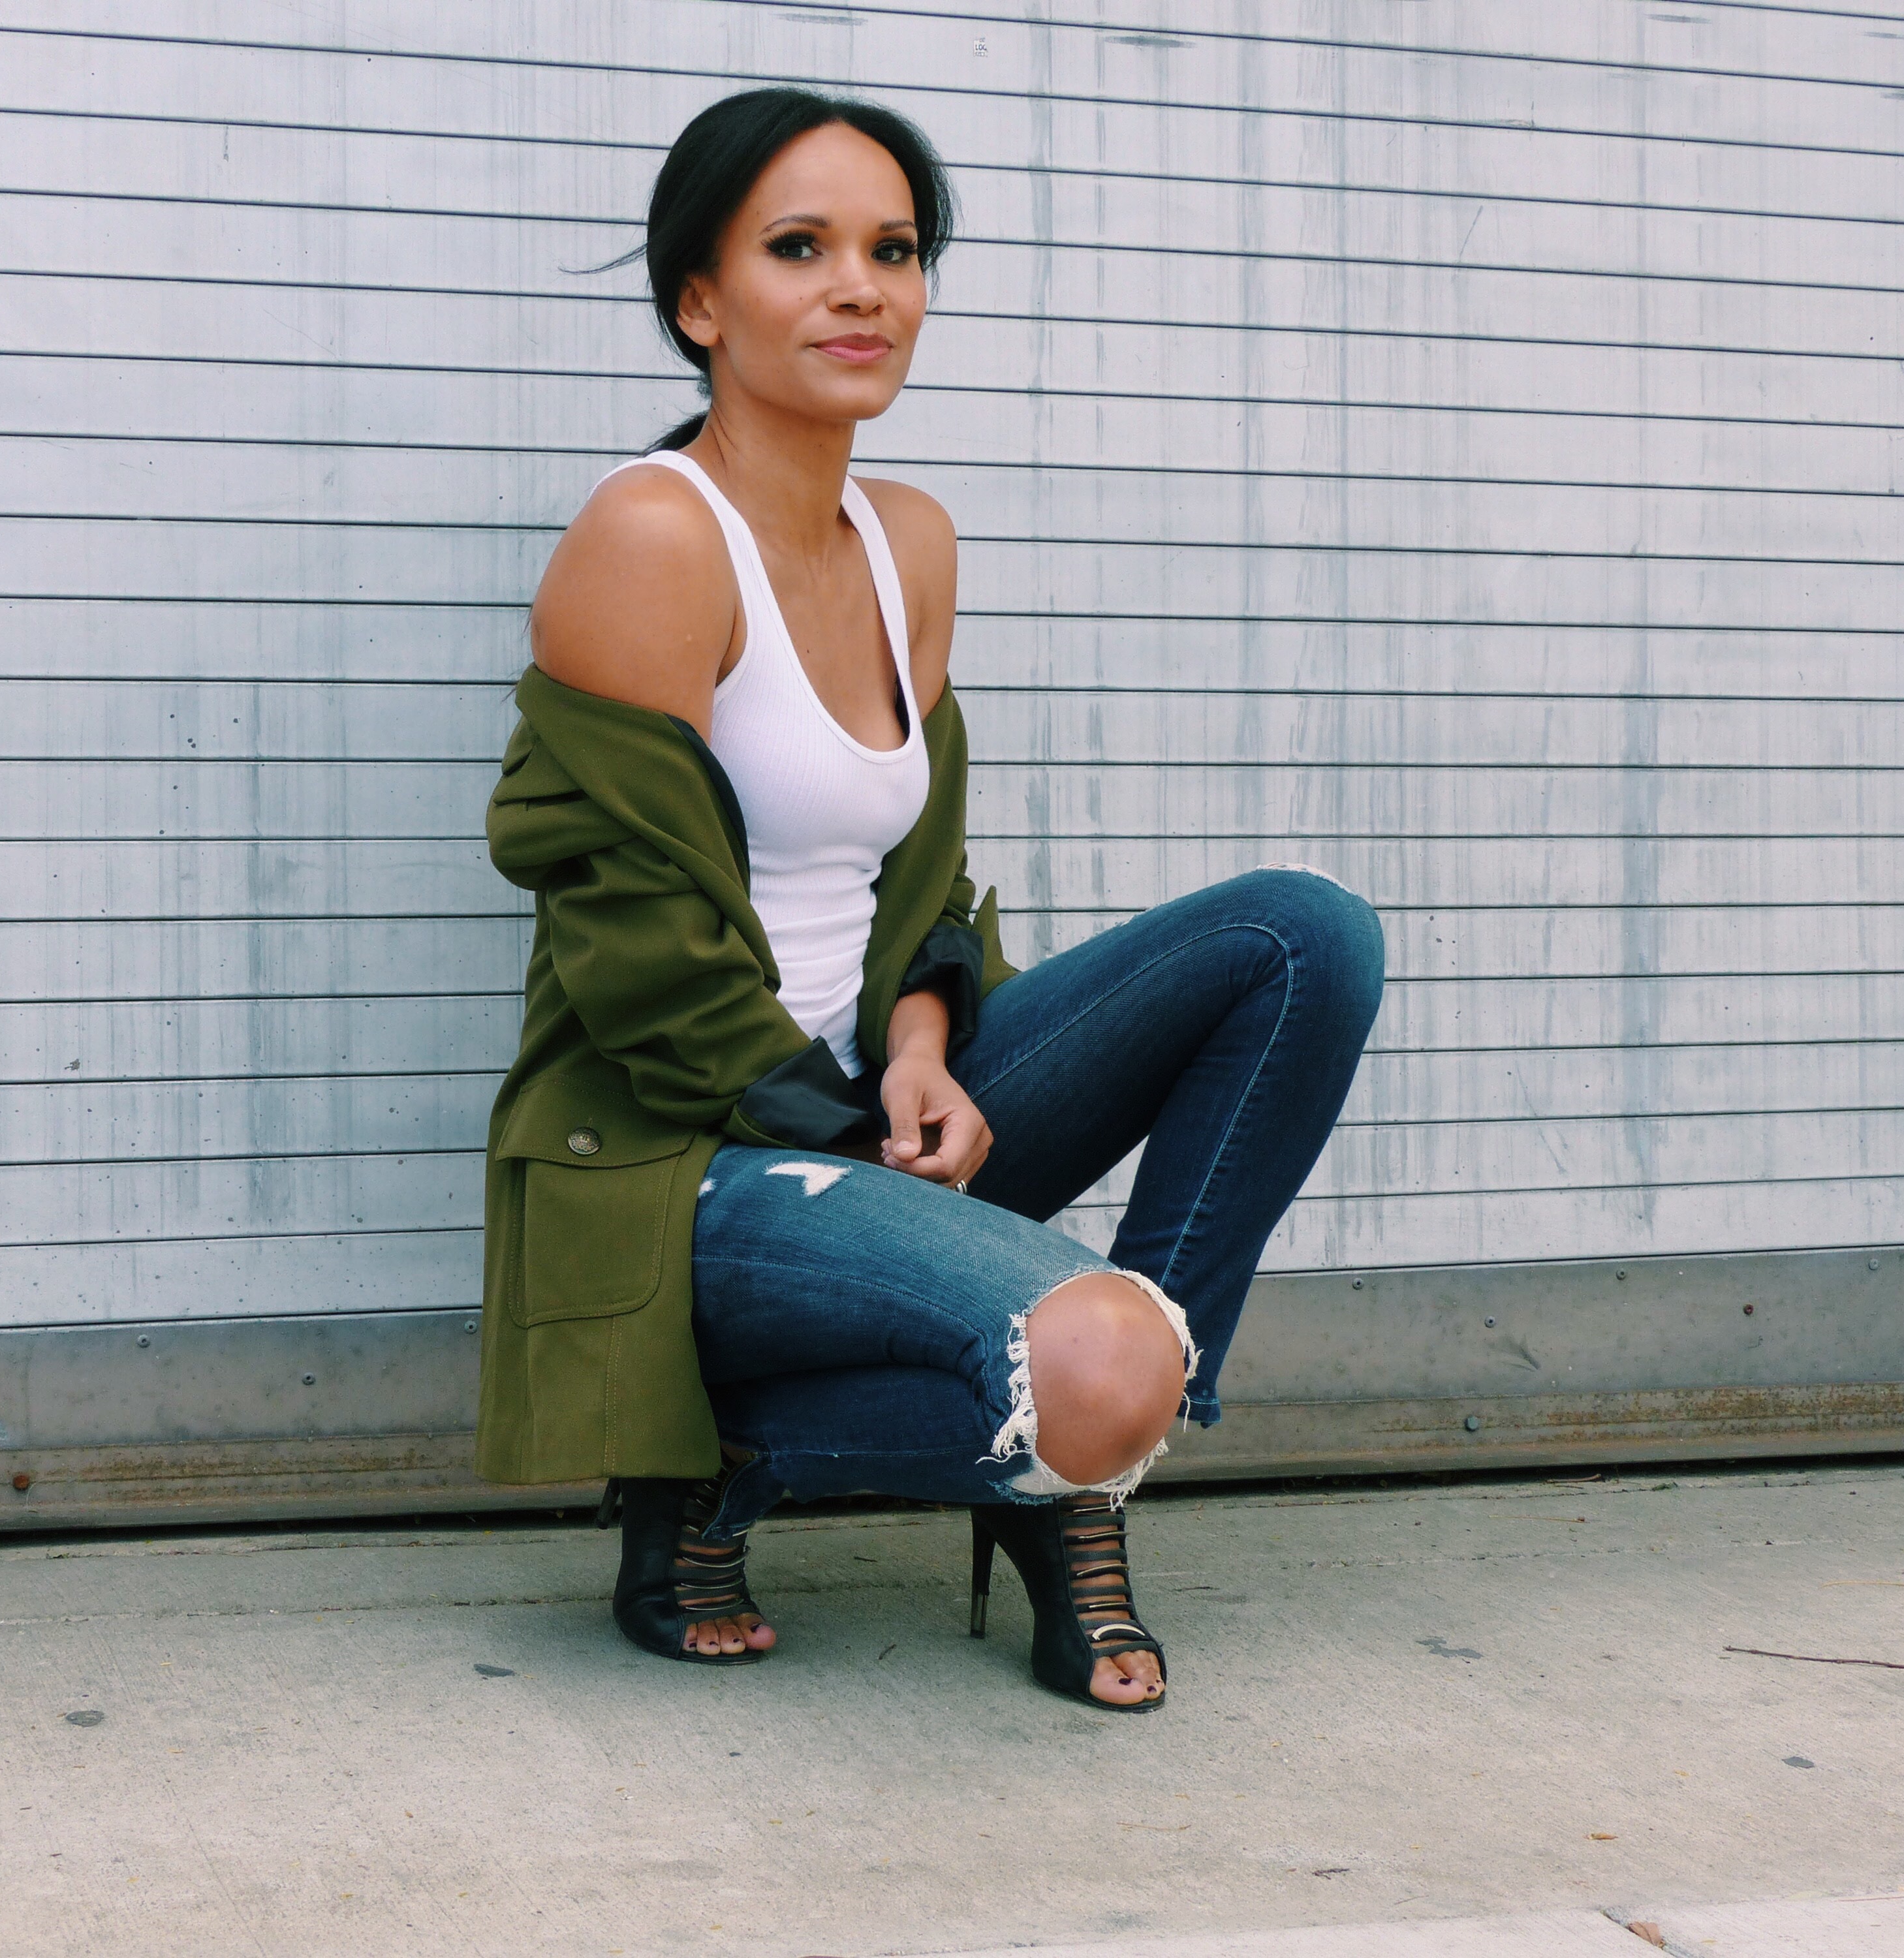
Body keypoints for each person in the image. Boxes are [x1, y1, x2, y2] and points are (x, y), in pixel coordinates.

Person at [479, 87, 1382, 1711]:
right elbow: (636, 958)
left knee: (1297, 937)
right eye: (798, 248)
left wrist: (916, 1047)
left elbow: (922, 882)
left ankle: (1082, 1453)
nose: (860, 288)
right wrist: (855, 1135)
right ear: (699, 301)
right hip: (694, 1154)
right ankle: (732, 1457)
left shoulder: (907, 540)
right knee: (1091, 1356)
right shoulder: (651, 536)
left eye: (893, 251)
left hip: (878, 1110)